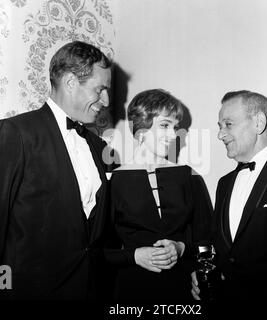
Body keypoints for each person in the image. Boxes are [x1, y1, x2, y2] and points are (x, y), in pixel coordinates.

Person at [0, 41, 113, 300]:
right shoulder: (16, 133)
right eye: (100, 89)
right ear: (71, 82)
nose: (105, 100)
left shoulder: (98, 146)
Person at [191, 90, 267, 304]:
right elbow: (222, 250)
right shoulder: (224, 184)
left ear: (258, 123)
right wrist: (206, 272)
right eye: (220, 127)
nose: (220, 134)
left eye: (228, 124)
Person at [107, 89, 213, 302]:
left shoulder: (190, 177)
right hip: (132, 291)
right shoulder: (112, 182)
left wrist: (182, 248)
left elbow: (209, 245)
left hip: (184, 291)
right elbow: (99, 252)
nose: (174, 135)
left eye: (175, 127)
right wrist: (135, 256)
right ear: (141, 130)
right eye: (164, 125)